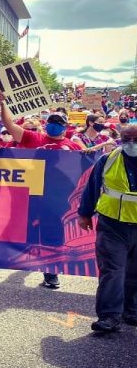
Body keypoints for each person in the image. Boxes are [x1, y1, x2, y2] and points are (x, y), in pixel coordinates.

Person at [0, 91, 81, 289]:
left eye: (58, 122)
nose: (54, 124)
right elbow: (10, 125)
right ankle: (21, 259)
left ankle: (51, 273)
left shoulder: (73, 146)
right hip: (31, 195)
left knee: (53, 235)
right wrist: (3, 105)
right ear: (45, 124)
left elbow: (83, 169)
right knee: (26, 229)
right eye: (51, 120)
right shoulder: (33, 138)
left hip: (57, 199)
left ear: (65, 127)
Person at [78, 124, 137, 332]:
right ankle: (110, 316)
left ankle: (131, 310)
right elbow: (93, 187)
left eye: (134, 139)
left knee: (134, 272)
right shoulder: (108, 159)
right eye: (126, 139)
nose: (131, 144)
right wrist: (84, 214)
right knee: (112, 270)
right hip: (112, 225)